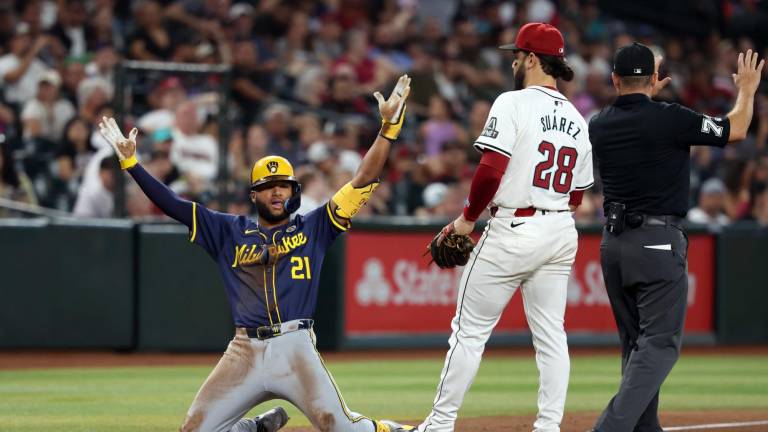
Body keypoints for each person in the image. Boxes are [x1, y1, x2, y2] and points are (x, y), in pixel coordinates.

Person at [96, 75, 414, 432]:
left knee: (339, 427)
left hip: (295, 347)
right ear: (254, 194)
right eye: (268, 187)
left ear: (293, 191)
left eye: (283, 187)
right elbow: (173, 204)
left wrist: (388, 128)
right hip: (244, 349)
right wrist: (131, 163)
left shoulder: (316, 225)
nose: (276, 193)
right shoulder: (227, 230)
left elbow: (362, 179)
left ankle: (396, 430)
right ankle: (254, 429)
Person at [415, 23, 594, 432]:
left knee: (468, 332)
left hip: (515, 226)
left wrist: (465, 220)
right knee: (552, 336)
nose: (513, 61)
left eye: (517, 54)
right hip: (560, 230)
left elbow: (489, 171)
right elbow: (577, 197)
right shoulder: (577, 118)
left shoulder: (512, 102)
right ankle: (549, 426)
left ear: (532, 59)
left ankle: (439, 425)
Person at [588, 43, 763, 432]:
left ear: (614, 79)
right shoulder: (670, 117)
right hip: (657, 242)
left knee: (636, 346)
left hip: (613, 245)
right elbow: (735, 128)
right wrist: (747, 90)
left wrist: (647, 94)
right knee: (660, 344)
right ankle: (610, 428)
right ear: (654, 79)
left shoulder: (598, 123)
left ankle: (645, 428)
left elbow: (636, 121)